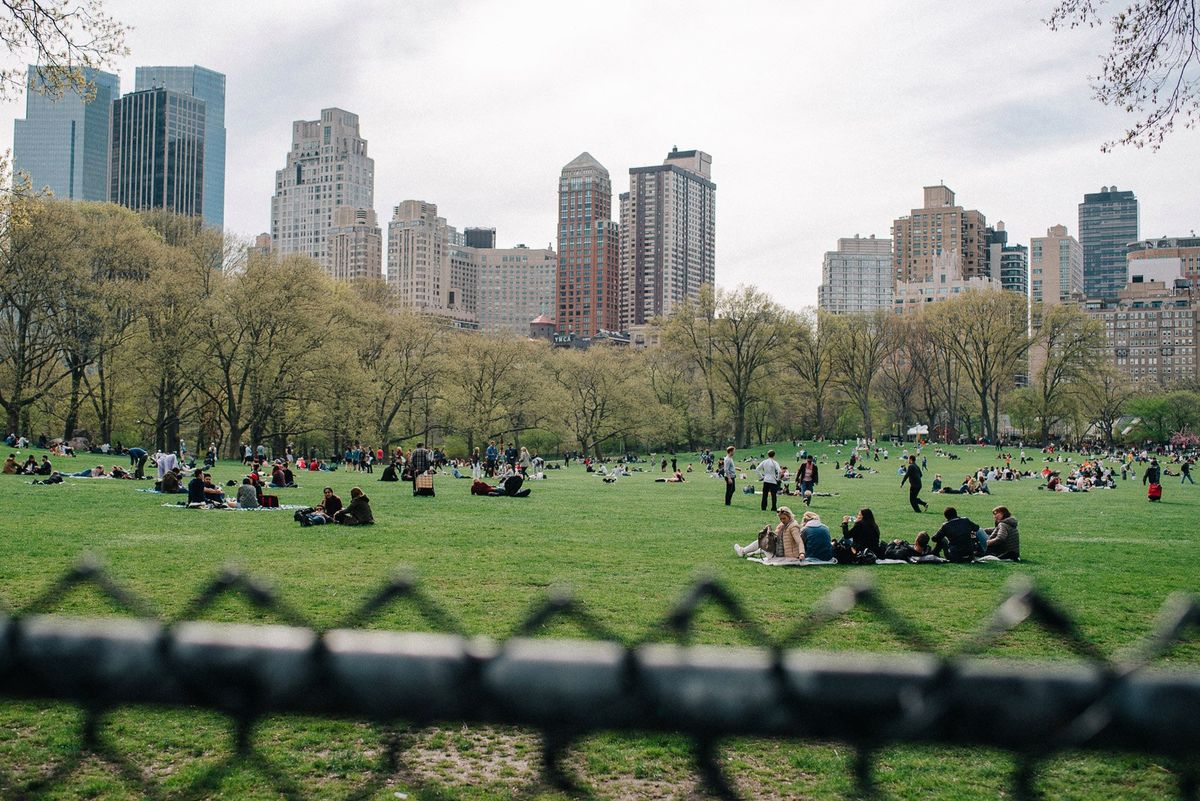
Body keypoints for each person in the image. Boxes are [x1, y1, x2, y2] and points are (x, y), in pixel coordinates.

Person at [733, 506, 804, 559]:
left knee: (762, 543)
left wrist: (801, 553)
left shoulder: (793, 527)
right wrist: (770, 531)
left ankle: (743, 551)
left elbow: (799, 542)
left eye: (784, 518)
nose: (782, 520)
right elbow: (777, 538)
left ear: (789, 516)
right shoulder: (785, 525)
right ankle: (747, 551)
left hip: (788, 557)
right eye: (781, 519)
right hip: (783, 554)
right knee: (764, 542)